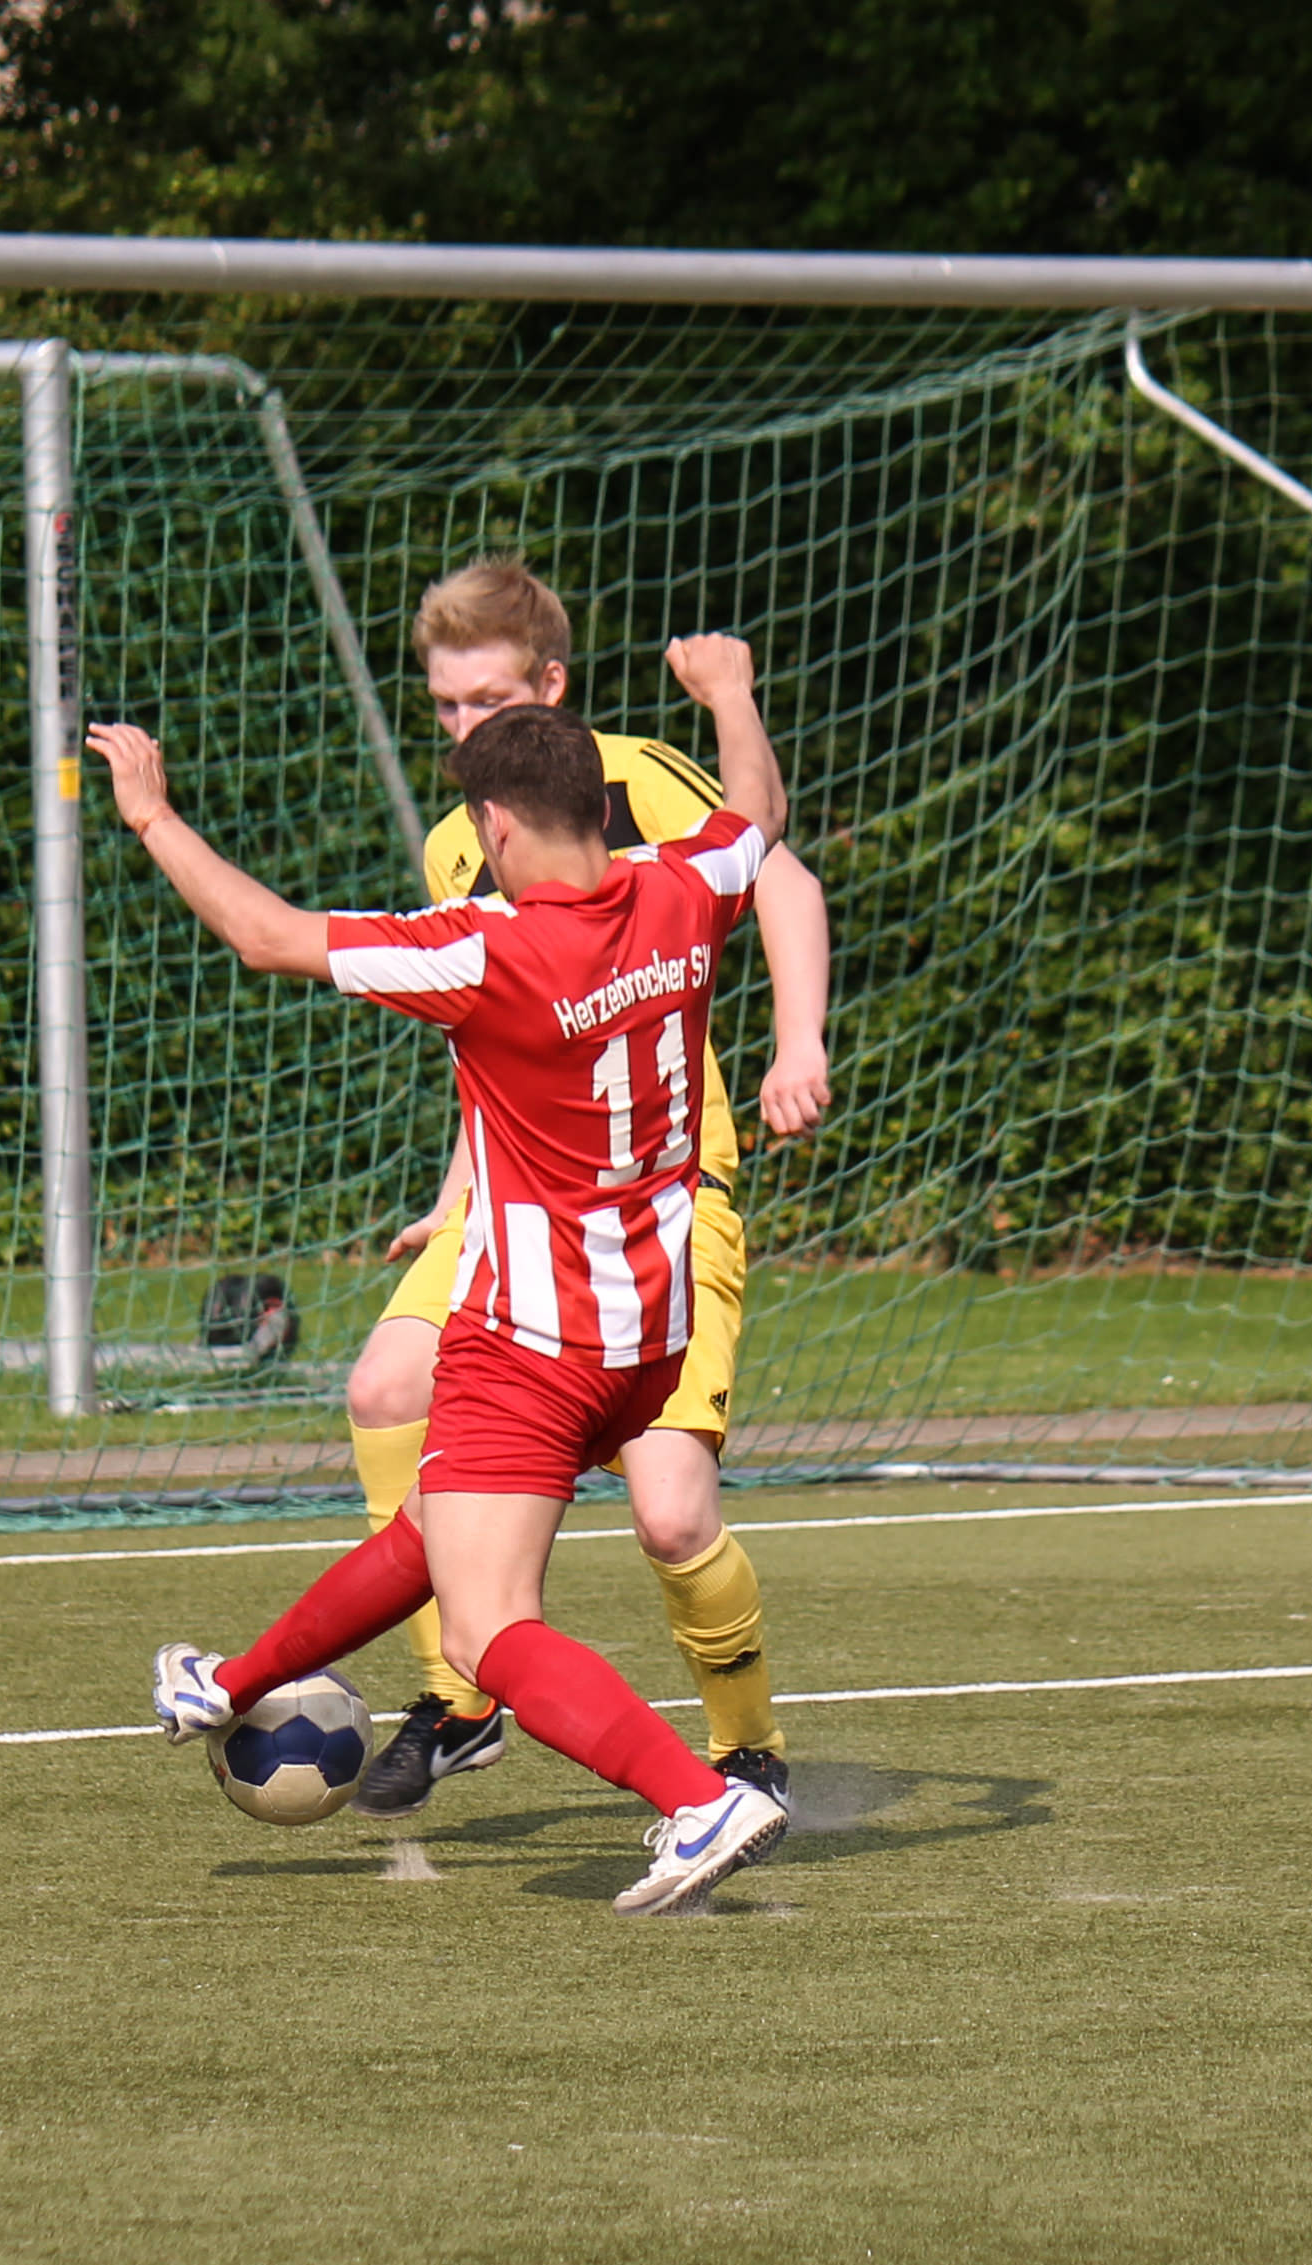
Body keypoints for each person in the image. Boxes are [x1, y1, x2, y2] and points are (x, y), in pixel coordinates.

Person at [92, 684, 791, 1915]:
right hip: (648, 1330)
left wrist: (150, 817)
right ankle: (227, 1680)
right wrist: (731, 696)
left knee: (484, 1632)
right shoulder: (683, 887)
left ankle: (699, 1800)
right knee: (437, 1525)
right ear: (599, 809)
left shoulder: (488, 947)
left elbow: (264, 934)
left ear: (497, 826)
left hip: (532, 1341)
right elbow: (757, 813)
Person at [344, 560, 829, 1823]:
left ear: (550, 684)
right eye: (444, 706)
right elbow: (494, 1033)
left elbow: (778, 875)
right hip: (515, 1207)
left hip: (657, 1195)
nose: (463, 726)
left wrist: (795, 1046)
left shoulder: (631, 778)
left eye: (487, 700)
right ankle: (459, 1697)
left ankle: (747, 1751)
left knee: (669, 1518)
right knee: (383, 1387)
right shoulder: (461, 836)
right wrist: (455, 1188)